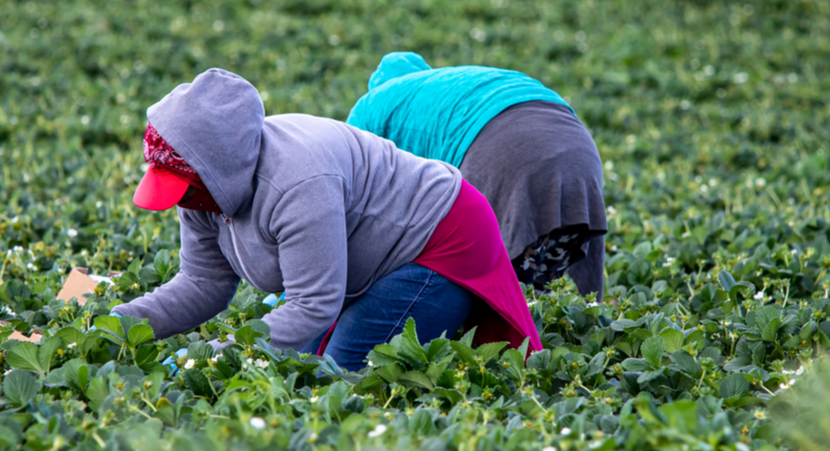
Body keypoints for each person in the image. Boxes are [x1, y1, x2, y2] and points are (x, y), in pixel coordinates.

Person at [111, 68, 542, 371]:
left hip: (441, 238)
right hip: (379, 248)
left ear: (216, 167)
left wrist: (218, 353)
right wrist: (112, 327)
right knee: (299, 361)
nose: (182, 201)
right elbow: (201, 284)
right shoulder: (202, 192)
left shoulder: (299, 182)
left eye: (185, 186)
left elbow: (313, 303)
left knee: (342, 371)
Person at [347, 52, 607, 302]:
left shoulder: (371, 106)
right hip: (580, 152)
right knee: (535, 296)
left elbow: (351, 192)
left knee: (480, 287)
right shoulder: (453, 83)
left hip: (503, 150)